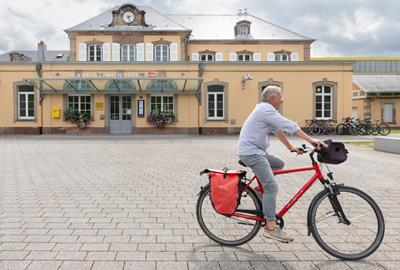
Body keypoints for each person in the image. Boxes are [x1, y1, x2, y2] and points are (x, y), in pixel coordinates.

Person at [237, 85, 324, 243]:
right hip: (252, 153)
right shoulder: (265, 110)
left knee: (278, 163)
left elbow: (278, 130)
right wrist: (312, 140)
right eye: (280, 96)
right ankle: (270, 227)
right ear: (272, 98)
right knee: (272, 187)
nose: (282, 100)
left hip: (256, 151)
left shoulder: (266, 111)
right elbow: (288, 125)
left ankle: (258, 191)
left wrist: (290, 147)